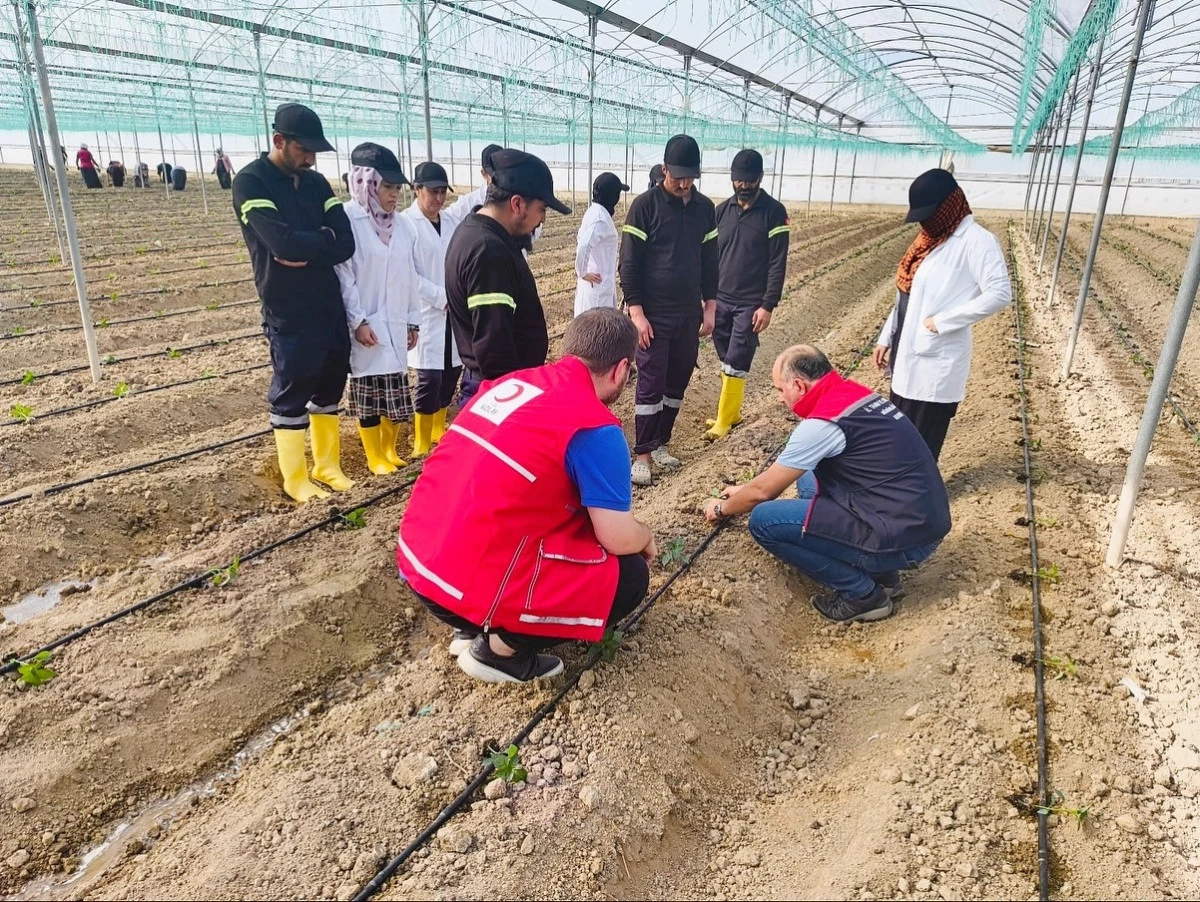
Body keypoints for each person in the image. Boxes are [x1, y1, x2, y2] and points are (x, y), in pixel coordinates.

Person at [398, 308, 655, 683]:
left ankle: (469, 626)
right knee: (629, 576)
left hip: (419, 563)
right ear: (620, 370)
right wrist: (645, 536)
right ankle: (501, 651)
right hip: (469, 579)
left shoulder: (512, 383)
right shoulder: (595, 426)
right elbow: (616, 536)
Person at [701, 345, 951, 624]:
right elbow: (779, 475)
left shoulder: (822, 425)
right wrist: (744, 491)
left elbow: (762, 493)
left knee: (764, 521)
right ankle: (883, 576)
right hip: (917, 518)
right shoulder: (852, 394)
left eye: (780, 390)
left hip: (906, 538)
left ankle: (862, 594)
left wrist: (722, 508)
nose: (780, 398)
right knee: (808, 471)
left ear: (799, 385)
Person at [232, 102, 356, 503]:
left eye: (315, 151)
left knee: (330, 384)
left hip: (328, 303)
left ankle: (327, 466)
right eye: (304, 149)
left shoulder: (317, 184)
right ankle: (295, 478)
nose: (311, 159)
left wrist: (310, 245)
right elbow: (281, 244)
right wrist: (322, 239)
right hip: (288, 307)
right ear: (279, 141)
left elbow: (346, 242)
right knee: (293, 388)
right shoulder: (251, 182)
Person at [872, 168, 1011, 461]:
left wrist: (941, 322)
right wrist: (886, 336)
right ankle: (903, 484)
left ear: (949, 205)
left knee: (920, 444)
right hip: (906, 351)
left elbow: (999, 293)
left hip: (935, 360)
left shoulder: (977, 241)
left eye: (929, 214)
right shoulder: (927, 241)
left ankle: (920, 488)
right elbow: (907, 295)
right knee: (901, 436)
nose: (925, 222)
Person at [619, 133, 718, 486]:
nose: (684, 183)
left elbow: (710, 261)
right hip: (654, 314)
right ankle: (643, 455)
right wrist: (637, 313)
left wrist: (710, 306)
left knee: (677, 380)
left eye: (690, 177)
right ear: (664, 170)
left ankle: (661, 442)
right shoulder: (644, 206)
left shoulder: (705, 209)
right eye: (678, 176)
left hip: (688, 314)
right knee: (651, 382)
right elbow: (629, 263)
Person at [444, 149, 569, 404]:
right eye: (542, 209)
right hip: (498, 393)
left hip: (495, 386)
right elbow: (494, 347)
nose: (542, 220)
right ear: (517, 204)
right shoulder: (489, 252)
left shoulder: (474, 230)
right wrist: (514, 403)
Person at [335, 143, 421, 476]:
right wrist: (358, 320)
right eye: (387, 187)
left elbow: (410, 276)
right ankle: (374, 456)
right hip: (367, 321)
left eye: (397, 188)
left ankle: (389, 450)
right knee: (369, 393)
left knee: (395, 392)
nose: (394, 194)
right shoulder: (348, 220)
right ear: (365, 183)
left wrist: (412, 321)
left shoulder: (403, 226)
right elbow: (345, 275)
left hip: (396, 320)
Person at [706, 149, 790, 439]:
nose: (743, 186)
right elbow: (709, 256)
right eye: (738, 180)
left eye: (749, 181)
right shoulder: (721, 211)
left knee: (737, 357)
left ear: (760, 178)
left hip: (751, 303)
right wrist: (706, 295)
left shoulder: (774, 212)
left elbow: (778, 262)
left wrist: (768, 304)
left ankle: (724, 420)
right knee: (725, 356)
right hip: (721, 298)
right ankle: (731, 413)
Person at [403, 161, 465, 457]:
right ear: (416, 189)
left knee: (451, 371)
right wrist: (442, 297)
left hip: (454, 310)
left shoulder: (450, 222)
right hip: (426, 311)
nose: (439, 198)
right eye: (433, 192)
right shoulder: (406, 224)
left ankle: (438, 430)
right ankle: (420, 440)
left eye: (443, 192)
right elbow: (409, 274)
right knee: (429, 378)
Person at [573, 172, 629, 316]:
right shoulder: (599, 218)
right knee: (595, 325)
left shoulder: (595, 212)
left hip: (598, 285)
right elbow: (584, 245)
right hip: (597, 287)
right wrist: (582, 273)